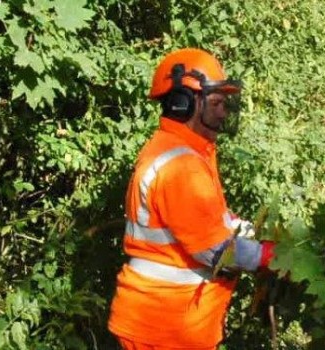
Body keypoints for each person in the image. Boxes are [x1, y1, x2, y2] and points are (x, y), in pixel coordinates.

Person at [108, 47, 276, 350]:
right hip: (165, 325)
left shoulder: (185, 153)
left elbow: (207, 221)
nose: (224, 112)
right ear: (182, 103)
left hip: (170, 321)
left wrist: (244, 229)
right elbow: (216, 250)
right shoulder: (181, 165)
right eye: (216, 103)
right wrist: (268, 256)